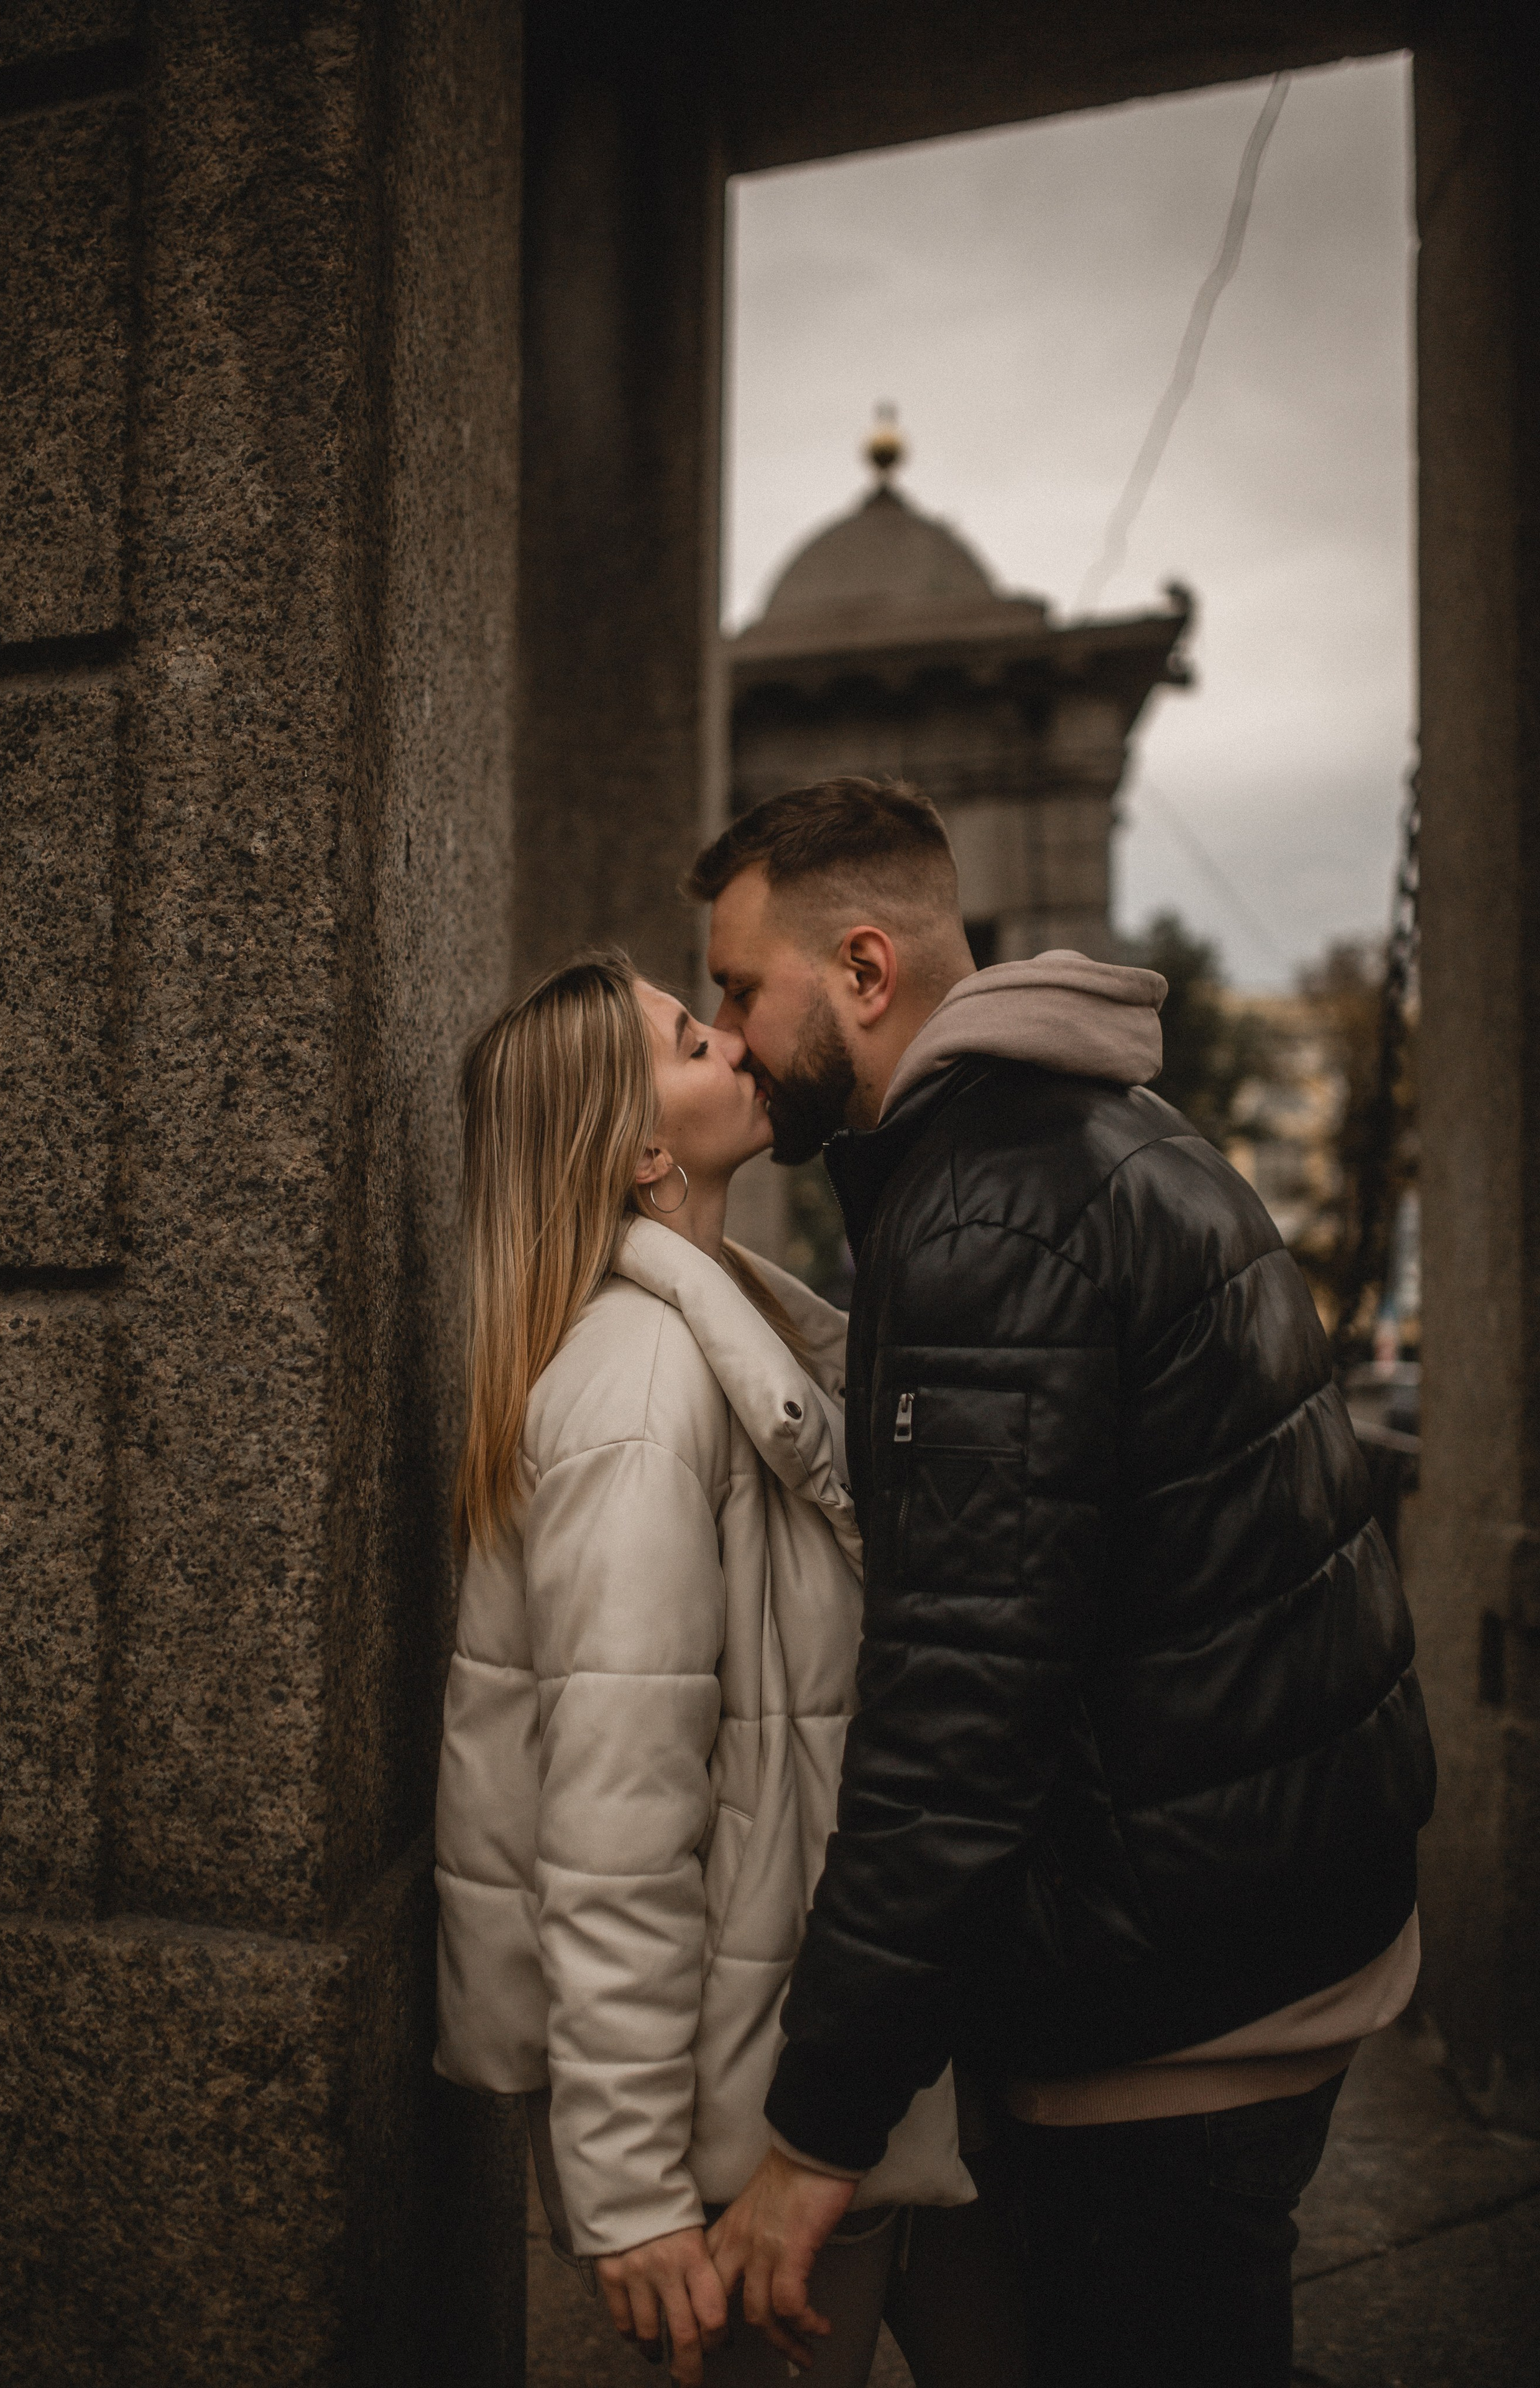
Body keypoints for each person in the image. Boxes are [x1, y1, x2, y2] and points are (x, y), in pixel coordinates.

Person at [690, 779, 1437, 2388]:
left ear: (866, 971)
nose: (729, 1034)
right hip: (1270, 1904)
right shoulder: (1092, 1137)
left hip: (1175, 1997)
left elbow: (957, 1706)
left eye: (741, 988)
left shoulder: (986, 1218)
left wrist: (817, 2131)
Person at [433, 952, 1022, 2386]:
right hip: (736, 2138)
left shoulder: (722, 1339)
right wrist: (629, 2198)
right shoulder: (640, 1399)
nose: (743, 1050)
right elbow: (611, 1839)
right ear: (642, 1153)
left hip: (824, 2069)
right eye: (697, 1044)